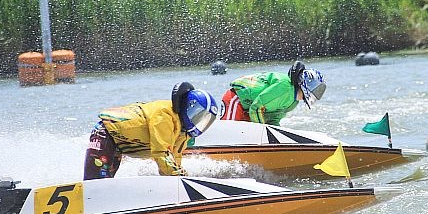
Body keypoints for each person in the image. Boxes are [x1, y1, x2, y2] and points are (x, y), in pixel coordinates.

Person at [83, 82, 219, 180]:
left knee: (106, 182)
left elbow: (173, 162)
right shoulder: (165, 115)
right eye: (198, 115)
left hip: (118, 143)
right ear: (188, 107)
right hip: (105, 133)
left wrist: (182, 180)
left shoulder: (182, 134)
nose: (199, 122)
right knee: (97, 182)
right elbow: (161, 154)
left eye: (205, 120)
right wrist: (180, 178)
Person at [221, 61, 326, 126]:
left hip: (248, 110)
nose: (317, 93)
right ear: (306, 82)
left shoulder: (294, 102)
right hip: (236, 99)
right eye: (316, 88)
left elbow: (272, 119)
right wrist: (261, 133)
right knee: (228, 135)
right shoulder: (284, 87)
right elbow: (257, 107)